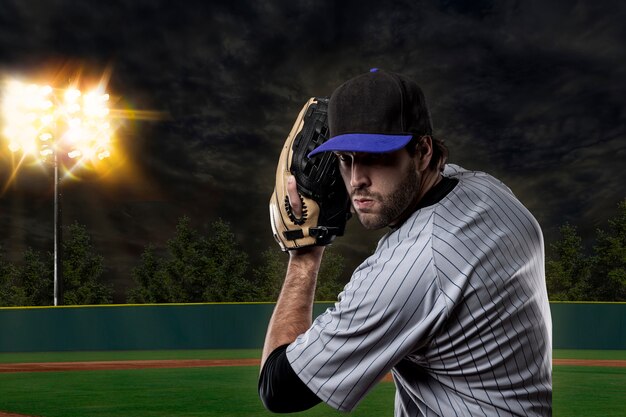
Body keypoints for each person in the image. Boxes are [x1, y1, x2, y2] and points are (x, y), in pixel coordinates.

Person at [259, 69, 552, 416]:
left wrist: (305, 256)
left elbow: (279, 389)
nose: (356, 181)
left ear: (423, 151)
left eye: (375, 156)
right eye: (344, 159)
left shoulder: (418, 262)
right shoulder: (488, 190)